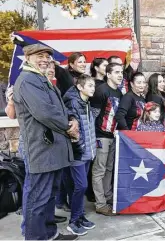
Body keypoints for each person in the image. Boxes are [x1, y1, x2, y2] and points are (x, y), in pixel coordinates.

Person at [12, 43, 78, 240]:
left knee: (49, 196)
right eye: (39, 55)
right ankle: (35, 237)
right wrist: (68, 128)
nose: (45, 59)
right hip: (41, 149)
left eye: (48, 57)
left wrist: (72, 119)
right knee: (37, 198)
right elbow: (45, 112)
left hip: (53, 148)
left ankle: (49, 234)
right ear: (28, 58)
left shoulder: (41, 79)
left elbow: (59, 107)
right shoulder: (27, 81)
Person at [63, 74, 97, 236]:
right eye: (90, 86)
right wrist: (81, 146)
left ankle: (81, 217)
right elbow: (73, 129)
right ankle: (73, 221)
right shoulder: (73, 103)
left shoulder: (85, 103)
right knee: (81, 185)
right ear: (80, 87)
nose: (93, 89)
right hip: (78, 153)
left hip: (87, 152)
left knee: (81, 186)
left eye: (93, 86)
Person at [89, 62, 124, 216]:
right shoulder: (101, 90)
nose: (120, 75)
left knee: (109, 168)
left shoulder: (119, 93)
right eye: (116, 72)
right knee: (99, 170)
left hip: (113, 135)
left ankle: (108, 197)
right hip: (100, 135)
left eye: (121, 72)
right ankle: (100, 203)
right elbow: (93, 115)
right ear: (108, 74)